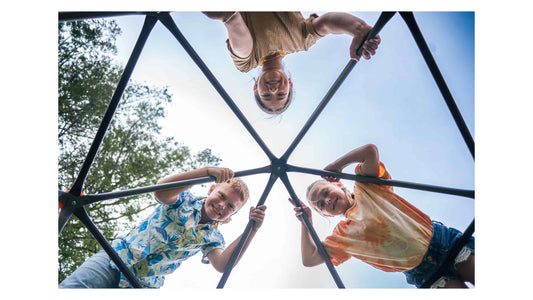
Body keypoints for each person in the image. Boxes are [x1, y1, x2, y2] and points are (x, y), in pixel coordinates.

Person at [290, 144, 474, 288]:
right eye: (321, 205)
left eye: (325, 192)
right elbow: (310, 259)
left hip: (443, 243)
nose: (327, 200)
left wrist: (338, 165)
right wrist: (306, 223)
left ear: (337, 185)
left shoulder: (366, 188)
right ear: (325, 214)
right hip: (425, 273)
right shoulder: (343, 236)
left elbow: (369, 152)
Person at [59, 166, 267, 288]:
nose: (222, 205)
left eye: (230, 206)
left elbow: (222, 265)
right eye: (221, 196)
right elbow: (161, 192)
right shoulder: (184, 199)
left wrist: (251, 229)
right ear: (211, 188)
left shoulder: (213, 238)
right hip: (117, 257)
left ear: (234, 213)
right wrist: (205, 172)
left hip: (142, 284)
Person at [203, 12, 381, 114]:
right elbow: (327, 23)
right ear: (290, 84)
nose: (273, 90)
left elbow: (241, 41)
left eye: (266, 96)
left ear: (255, 86)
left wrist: (229, 16)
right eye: (281, 95)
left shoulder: (248, 61)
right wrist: (358, 28)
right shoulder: (302, 41)